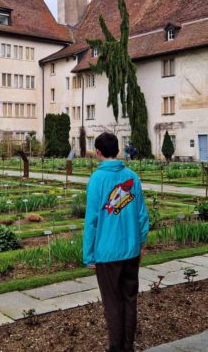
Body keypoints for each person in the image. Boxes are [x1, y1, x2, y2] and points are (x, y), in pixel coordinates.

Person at [83, 132, 149, 352]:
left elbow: (92, 220)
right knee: (130, 299)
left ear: (98, 152)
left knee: (112, 303)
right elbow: (141, 214)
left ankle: (116, 348)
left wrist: (89, 254)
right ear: (118, 151)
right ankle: (128, 347)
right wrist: (141, 242)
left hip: (107, 253)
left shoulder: (97, 180)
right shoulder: (132, 177)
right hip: (131, 251)